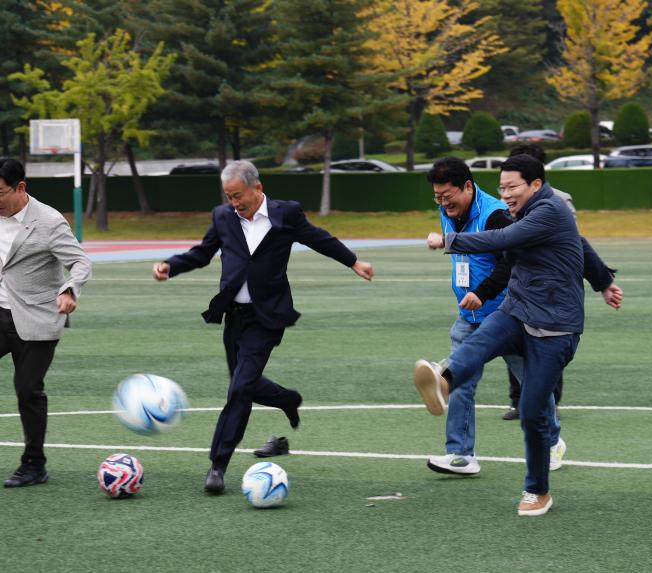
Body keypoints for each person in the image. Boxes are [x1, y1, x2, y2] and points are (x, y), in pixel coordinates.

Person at [153, 160, 373, 494]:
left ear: (257, 188)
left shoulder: (287, 214)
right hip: (233, 316)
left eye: (238, 195)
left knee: (239, 389)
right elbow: (202, 253)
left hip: (267, 316)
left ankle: (217, 465)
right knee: (246, 383)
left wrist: (354, 261)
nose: (234, 203)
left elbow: (319, 238)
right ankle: (287, 399)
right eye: (229, 196)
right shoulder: (223, 217)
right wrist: (171, 266)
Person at [414, 154, 587, 517]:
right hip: (471, 312)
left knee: (531, 392)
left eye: (449, 196)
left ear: (468, 187)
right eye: (438, 198)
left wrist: (482, 285)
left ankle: (553, 441)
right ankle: (461, 452)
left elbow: (507, 255)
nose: (444, 203)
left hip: (509, 311)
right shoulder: (451, 209)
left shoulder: (501, 213)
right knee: (462, 374)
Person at [502, 143, 621, 420]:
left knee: (547, 347)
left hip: (552, 291)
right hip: (520, 284)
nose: (508, 189)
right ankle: (518, 399)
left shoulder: (558, 202)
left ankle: (550, 401)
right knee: (512, 342)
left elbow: (577, 244)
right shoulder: (507, 200)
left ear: (536, 176)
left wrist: (602, 281)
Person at [0, 157, 92, 488]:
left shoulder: (49, 222)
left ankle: (34, 464)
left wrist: (70, 290)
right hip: (0, 313)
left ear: (20, 187)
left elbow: (80, 263)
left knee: (27, 390)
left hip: (37, 319)